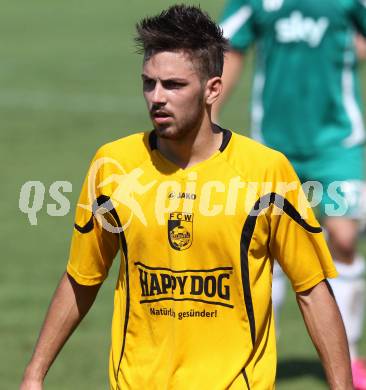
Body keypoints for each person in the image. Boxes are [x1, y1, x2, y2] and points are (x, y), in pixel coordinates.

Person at [21, 5, 352, 390]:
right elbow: (82, 277)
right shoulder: (113, 166)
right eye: (149, 83)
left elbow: (311, 289)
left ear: (214, 88)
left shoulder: (265, 172)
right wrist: (34, 374)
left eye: (174, 85)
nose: (157, 98)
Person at [215, 1, 366, 388]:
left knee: (345, 238)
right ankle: (260, 356)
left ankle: (346, 357)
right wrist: (209, 114)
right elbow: (229, 47)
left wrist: (350, 49)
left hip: (338, 142)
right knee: (270, 246)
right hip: (274, 145)